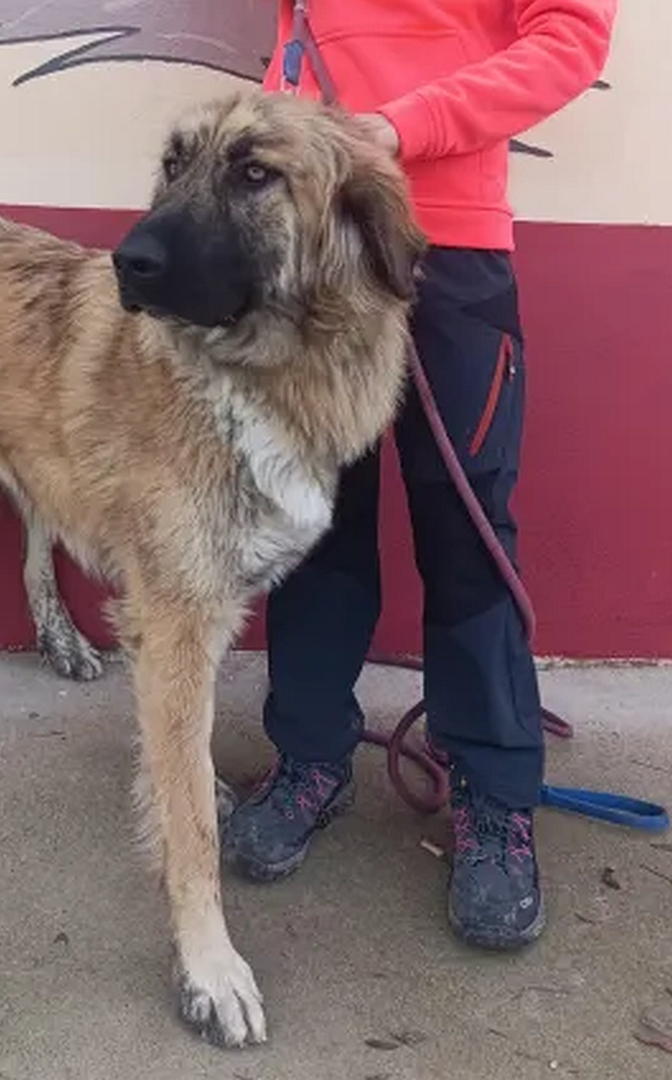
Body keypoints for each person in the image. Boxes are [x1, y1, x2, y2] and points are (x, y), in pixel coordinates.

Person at [221, 0, 618, 950]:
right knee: (311, 524)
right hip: (308, 261)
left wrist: (404, 126)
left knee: (468, 533)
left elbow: (571, 35)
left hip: (448, 248)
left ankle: (494, 795)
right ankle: (310, 758)